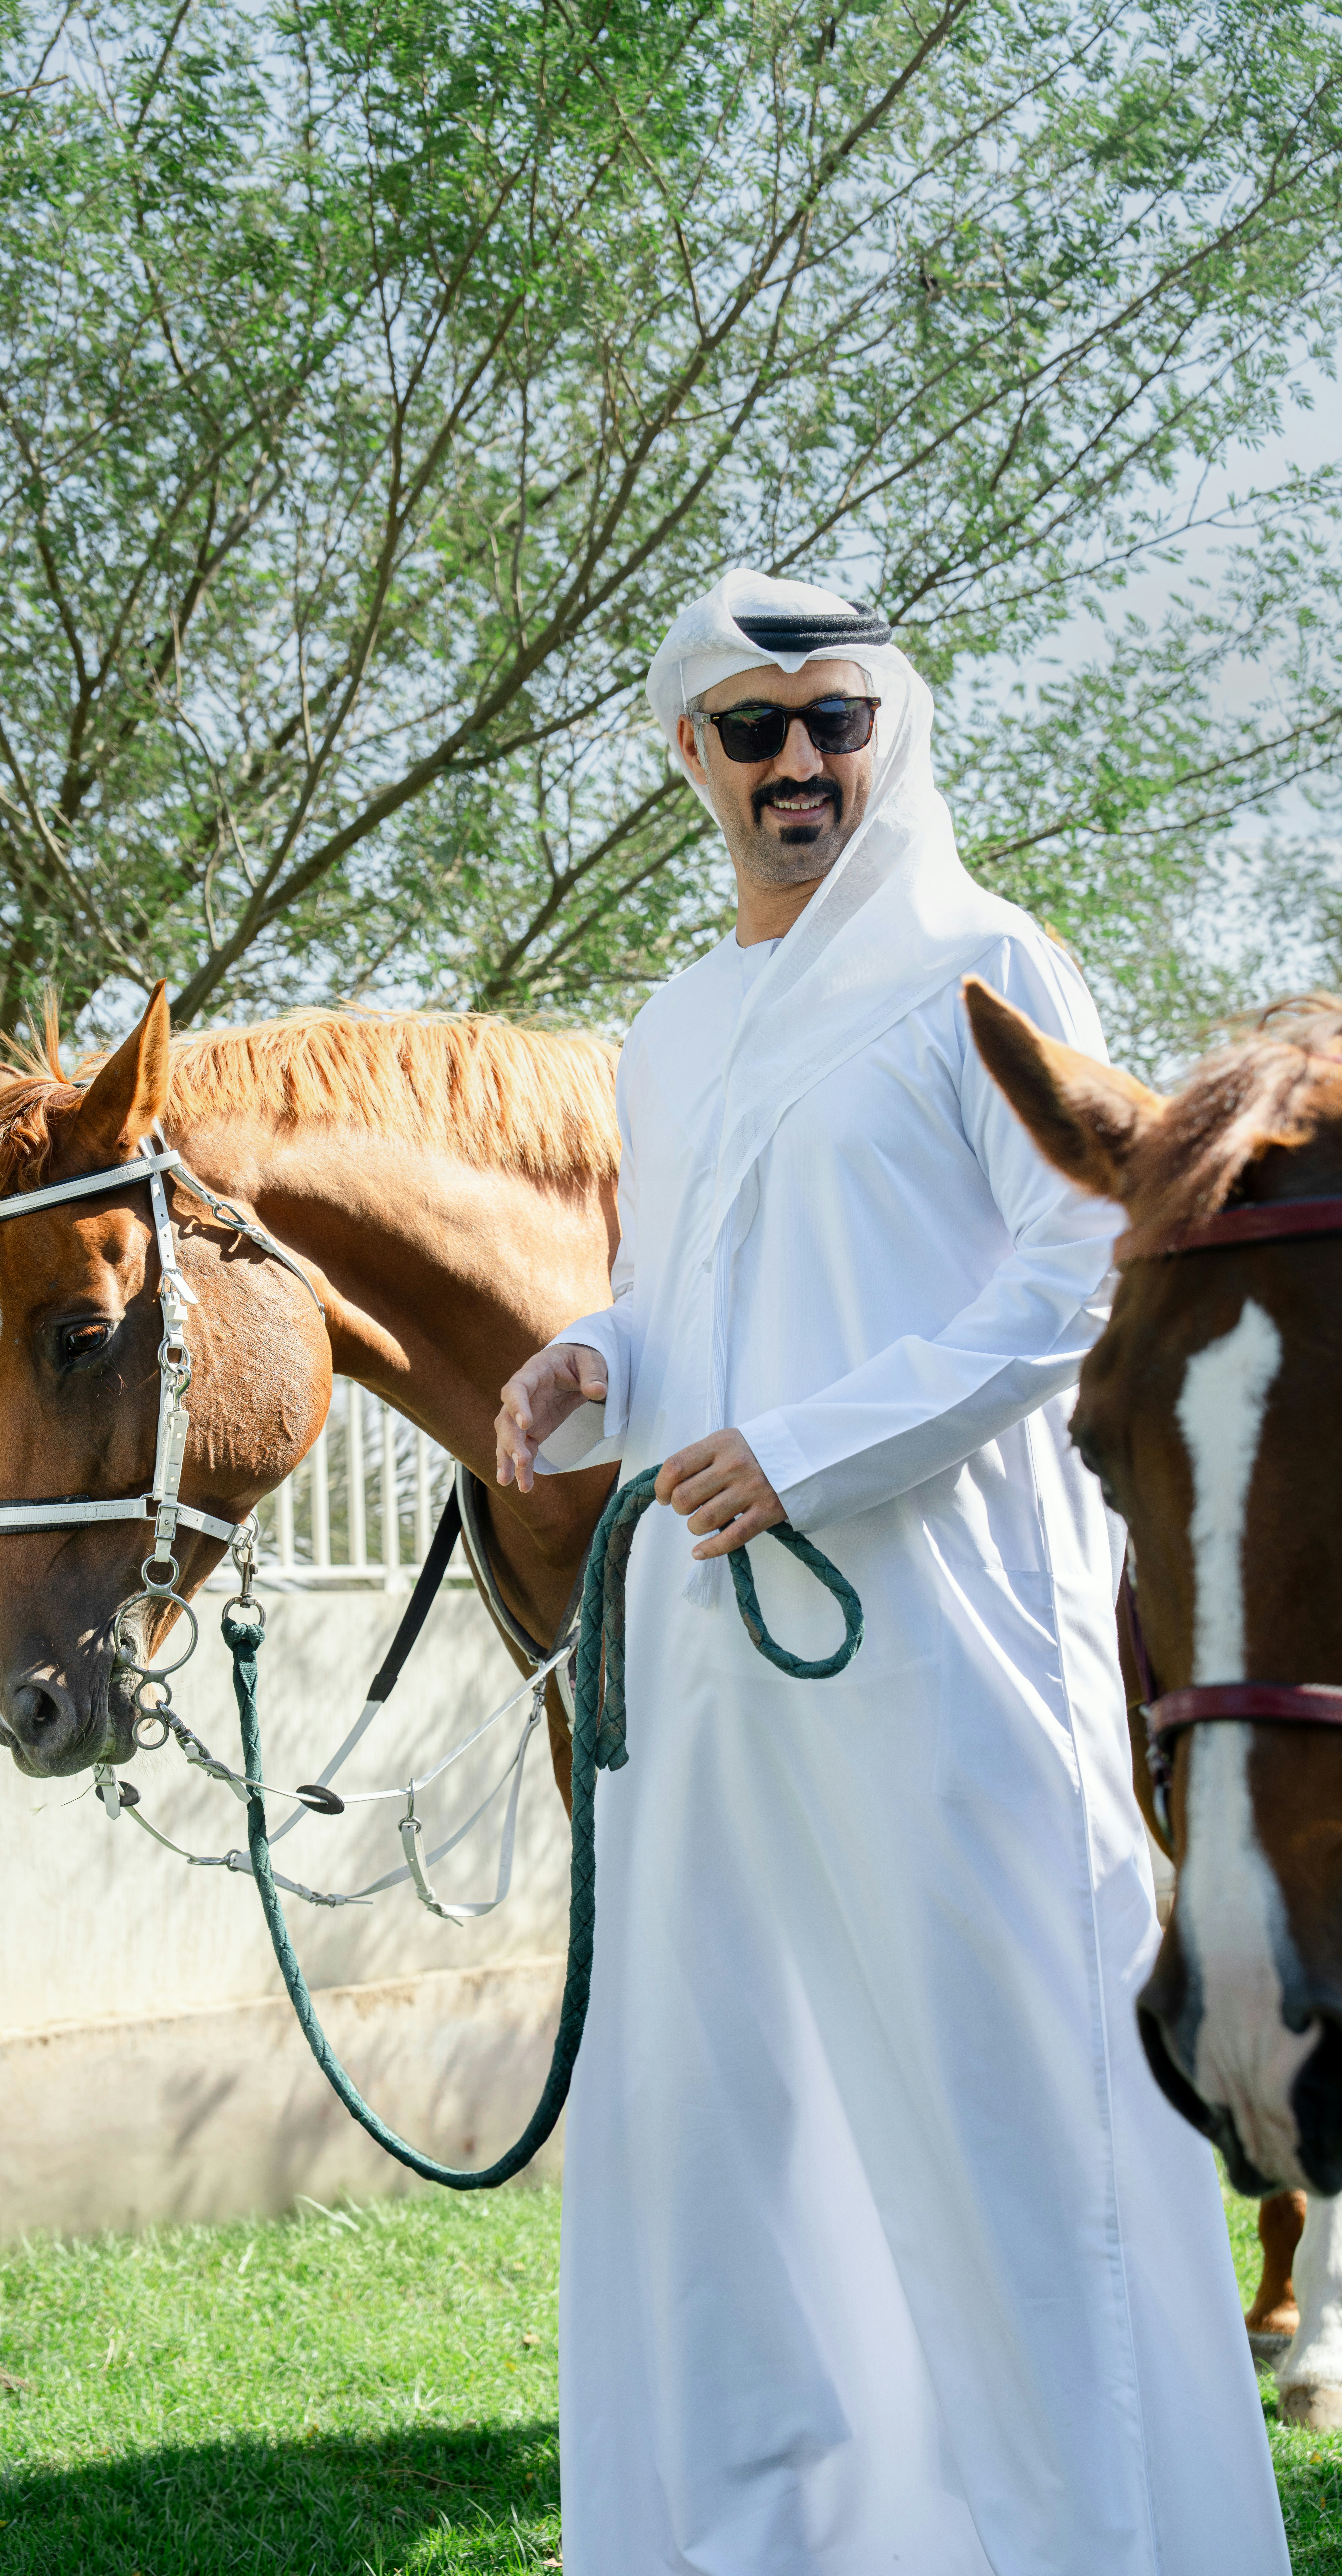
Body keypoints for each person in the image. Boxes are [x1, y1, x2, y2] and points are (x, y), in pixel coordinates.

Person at [494, 572, 1286, 2575]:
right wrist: (601, 1362)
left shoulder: (985, 958)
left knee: (1002, 2137)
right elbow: (689, 1295)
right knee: (720, 2142)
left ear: (887, 734)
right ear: (690, 756)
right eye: (752, 730)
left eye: (832, 722)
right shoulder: (672, 1028)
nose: (797, 764)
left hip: (939, 1649)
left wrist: (815, 1452)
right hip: (701, 1659)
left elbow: (1071, 1280)